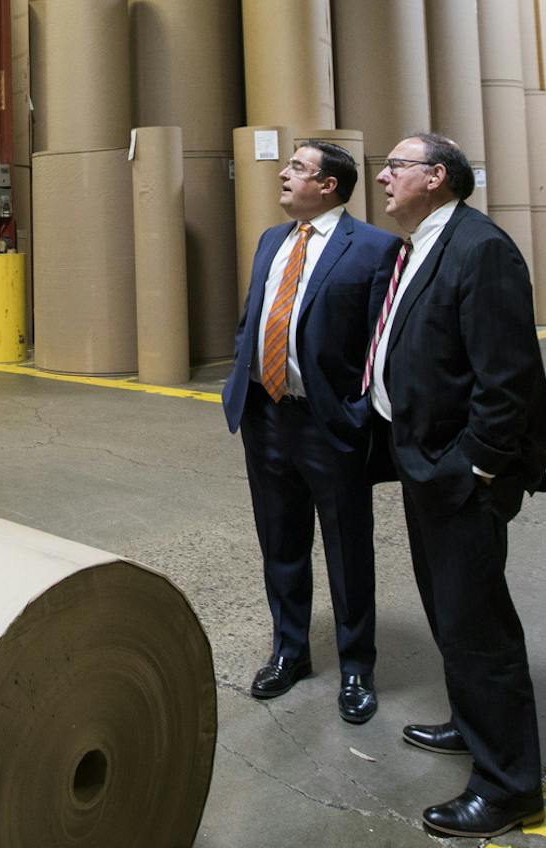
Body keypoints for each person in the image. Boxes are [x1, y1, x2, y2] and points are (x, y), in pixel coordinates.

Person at [362, 132, 546, 838]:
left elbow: (507, 379)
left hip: (459, 472)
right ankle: (473, 726)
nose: (383, 177)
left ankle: (509, 788)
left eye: (396, 166)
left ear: (437, 176)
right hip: (423, 462)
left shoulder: (481, 249)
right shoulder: (422, 244)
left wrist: (475, 466)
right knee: (450, 614)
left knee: (480, 629)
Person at [221, 139, 400, 725]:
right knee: (280, 541)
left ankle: (356, 667)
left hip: (329, 423)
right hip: (266, 415)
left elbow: (382, 342)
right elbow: (254, 317)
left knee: (348, 548)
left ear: (328, 185)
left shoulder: (373, 248)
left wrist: (359, 413)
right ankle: (290, 651)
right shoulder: (272, 240)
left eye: (297, 167)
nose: (283, 172)